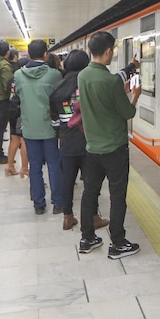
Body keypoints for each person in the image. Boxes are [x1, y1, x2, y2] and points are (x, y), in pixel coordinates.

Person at [78, 31, 141, 259]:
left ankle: (87, 239)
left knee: (90, 192)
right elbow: (128, 112)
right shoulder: (111, 81)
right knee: (117, 195)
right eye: (112, 50)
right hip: (114, 148)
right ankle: (118, 243)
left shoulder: (83, 76)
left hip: (92, 147)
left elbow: (102, 96)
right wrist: (134, 95)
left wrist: (130, 67)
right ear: (107, 51)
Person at [50, 49, 109, 231]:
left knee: (67, 180)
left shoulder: (57, 89)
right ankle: (93, 217)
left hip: (67, 141)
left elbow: (55, 120)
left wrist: (61, 134)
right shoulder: (88, 85)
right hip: (88, 140)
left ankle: (68, 217)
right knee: (91, 182)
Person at [14, 40, 63, 214]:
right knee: (54, 164)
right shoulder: (54, 75)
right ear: (46, 54)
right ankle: (58, 203)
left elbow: (17, 97)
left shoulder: (18, 75)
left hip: (29, 128)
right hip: (49, 127)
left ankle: (39, 205)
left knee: (34, 167)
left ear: (28, 54)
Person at [6, 49, 28, 177]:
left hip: (11, 110)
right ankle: (24, 168)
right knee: (24, 140)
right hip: (21, 110)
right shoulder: (24, 79)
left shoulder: (11, 79)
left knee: (14, 139)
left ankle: (9, 166)